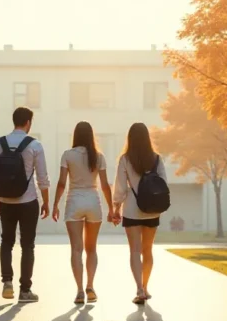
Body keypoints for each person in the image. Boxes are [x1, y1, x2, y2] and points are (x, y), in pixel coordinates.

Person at [0, 107, 50, 303]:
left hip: (6, 201)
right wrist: (46, 202)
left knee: (6, 241)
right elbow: (42, 178)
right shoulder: (35, 145)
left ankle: (7, 283)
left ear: (13, 121)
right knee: (27, 245)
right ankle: (25, 290)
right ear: (28, 123)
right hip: (28, 201)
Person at [51, 121, 114, 305]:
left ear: (75, 135)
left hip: (74, 201)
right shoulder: (98, 156)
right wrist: (111, 209)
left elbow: (62, 183)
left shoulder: (67, 155)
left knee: (76, 249)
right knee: (91, 248)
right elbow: (104, 184)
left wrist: (55, 204)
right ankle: (90, 286)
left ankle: (79, 291)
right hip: (93, 201)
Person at [111, 122, 165, 305]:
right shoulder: (156, 159)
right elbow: (163, 182)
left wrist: (116, 208)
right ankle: (146, 286)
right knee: (147, 250)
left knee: (134, 250)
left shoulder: (125, 159)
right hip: (152, 211)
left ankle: (139, 289)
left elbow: (120, 187)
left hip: (132, 209)